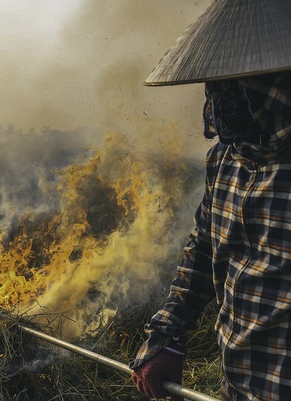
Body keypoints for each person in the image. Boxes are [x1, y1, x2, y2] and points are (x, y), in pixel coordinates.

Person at [130, 1, 291, 400]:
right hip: (237, 384)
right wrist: (167, 334)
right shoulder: (226, 158)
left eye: (238, 85)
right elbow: (203, 248)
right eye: (217, 85)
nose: (220, 100)